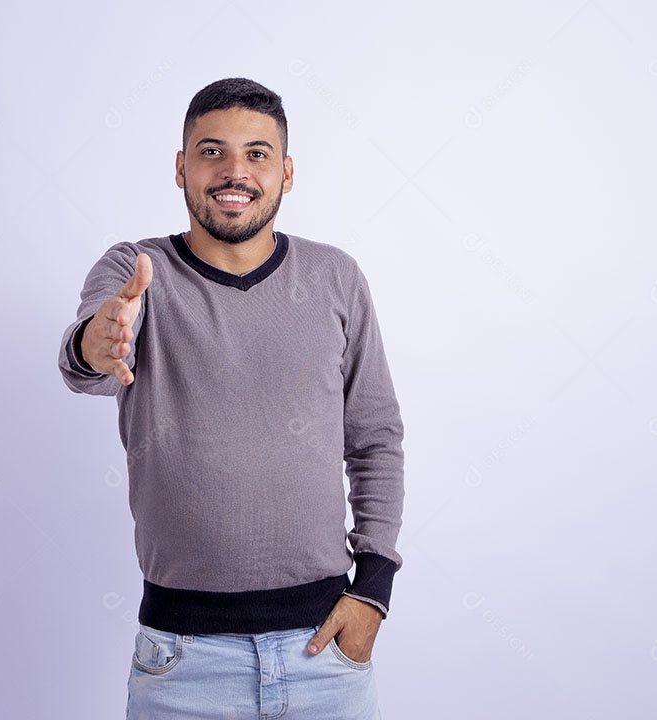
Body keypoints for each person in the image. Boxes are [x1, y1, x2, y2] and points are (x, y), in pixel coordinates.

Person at [58, 77, 405, 719]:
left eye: (257, 153)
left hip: (324, 654)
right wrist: (96, 342)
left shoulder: (336, 277)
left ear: (287, 172)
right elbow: (90, 365)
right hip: (183, 665)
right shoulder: (135, 270)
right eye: (212, 152)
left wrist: (374, 591)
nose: (234, 172)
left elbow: (376, 439)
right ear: (182, 167)